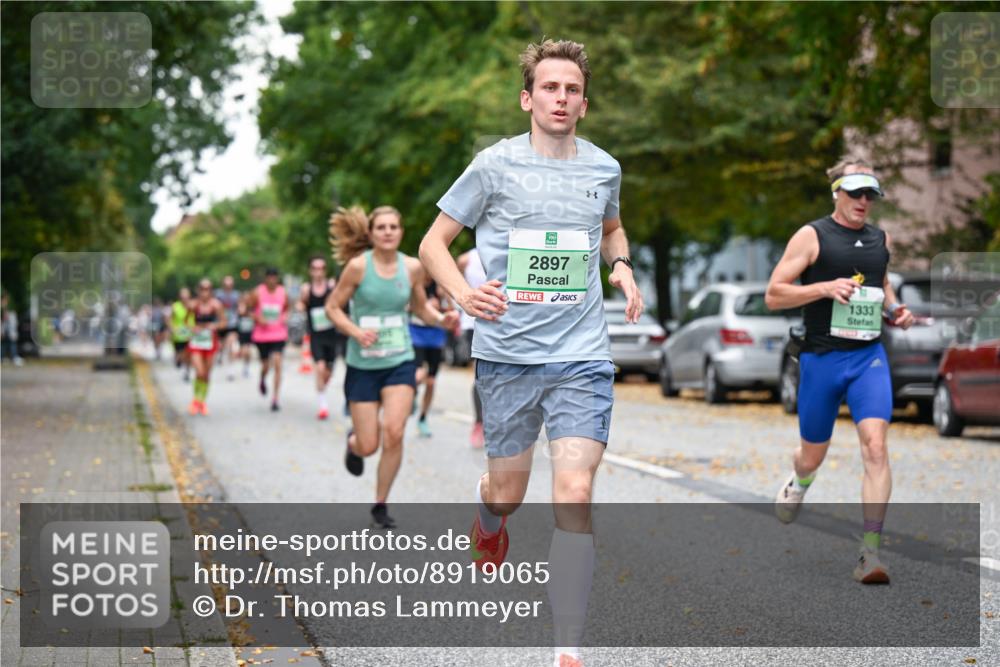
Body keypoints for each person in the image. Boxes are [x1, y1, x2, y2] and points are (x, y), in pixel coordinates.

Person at [419, 39, 642, 667]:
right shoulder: (492, 166)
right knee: (510, 492)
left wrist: (621, 266)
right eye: (550, 87)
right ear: (528, 98)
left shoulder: (604, 168)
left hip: (582, 355)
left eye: (572, 89)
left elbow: (611, 228)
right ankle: (489, 518)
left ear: (584, 103)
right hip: (508, 355)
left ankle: (566, 650)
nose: (561, 98)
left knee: (573, 491)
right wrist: (464, 294)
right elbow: (432, 244)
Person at [765, 156, 915, 584]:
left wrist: (896, 309)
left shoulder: (879, 239)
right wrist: (825, 288)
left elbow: (880, 282)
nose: (863, 201)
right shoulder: (812, 236)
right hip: (822, 359)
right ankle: (800, 480)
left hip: (867, 358)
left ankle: (870, 554)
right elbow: (774, 294)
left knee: (875, 447)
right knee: (813, 454)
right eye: (855, 193)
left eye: (870, 194)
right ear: (837, 193)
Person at [327, 205, 457, 529]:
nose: (387, 232)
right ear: (371, 234)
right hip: (363, 364)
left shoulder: (412, 267)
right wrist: (356, 331)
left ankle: (380, 503)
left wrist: (442, 320)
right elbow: (333, 308)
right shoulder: (358, 267)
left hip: (399, 360)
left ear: (400, 232)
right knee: (369, 445)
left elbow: (420, 309)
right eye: (381, 227)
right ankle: (353, 443)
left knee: (395, 432)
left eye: (393, 227)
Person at [408, 274, 453, 437]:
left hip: (435, 337)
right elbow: (405, 307)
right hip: (416, 334)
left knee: (431, 382)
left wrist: (444, 297)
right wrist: (424, 305)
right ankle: (411, 396)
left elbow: (451, 312)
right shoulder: (414, 282)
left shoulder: (439, 285)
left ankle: (423, 418)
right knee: (418, 375)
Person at [298, 256, 341, 420]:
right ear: (310, 271)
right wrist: (301, 306)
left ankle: (323, 387)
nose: (318, 272)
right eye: (315, 268)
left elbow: (339, 304)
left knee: (328, 372)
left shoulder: (332, 287)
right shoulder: (306, 289)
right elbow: (302, 305)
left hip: (332, 334)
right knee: (320, 367)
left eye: (321, 268)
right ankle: (323, 405)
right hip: (315, 335)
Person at [247, 268, 289, 412]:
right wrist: (258, 318)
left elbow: (287, 309)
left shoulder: (283, 292)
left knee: (277, 363)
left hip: (278, 334)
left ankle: (275, 399)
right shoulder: (257, 292)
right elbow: (248, 310)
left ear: (277, 279)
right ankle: (263, 378)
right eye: (269, 277)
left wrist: (284, 317)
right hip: (262, 335)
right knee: (266, 365)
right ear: (266, 279)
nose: (272, 280)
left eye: (274, 277)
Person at [457, 248, 487, 447]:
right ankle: (479, 422)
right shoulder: (465, 259)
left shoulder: (513, 248)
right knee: (480, 373)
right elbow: (452, 284)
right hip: (473, 321)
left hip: (503, 318)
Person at [187, 279, 226, 415]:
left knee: (207, 374)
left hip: (210, 342)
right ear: (198, 290)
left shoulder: (216, 305)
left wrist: (214, 326)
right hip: (197, 343)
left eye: (208, 289)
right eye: (202, 289)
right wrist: (193, 328)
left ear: (211, 290)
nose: (205, 292)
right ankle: (195, 400)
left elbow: (223, 323)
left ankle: (202, 402)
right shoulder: (193, 305)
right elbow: (186, 322)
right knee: (199, 372)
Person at [215, 275, 241, 380]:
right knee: (221, 345)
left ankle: (230, 369)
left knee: (231, 344)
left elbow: (240, 307)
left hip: (232, 323)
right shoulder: (218, 295)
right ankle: (221, 355)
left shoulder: (236, 295)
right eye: (226, 284)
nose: (228, 286)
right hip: (221, 323)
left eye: (230, 284)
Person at [169, 287, 193, 382]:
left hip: (189, 333)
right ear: (180, 297)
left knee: (189, 353)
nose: (185, 298)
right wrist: (173, 328)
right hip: (178, 335)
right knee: (180, 354)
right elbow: (170, 319)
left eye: (186, 296)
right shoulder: (175, 306)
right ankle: (178, 360)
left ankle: (187, 371)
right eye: (183, 296)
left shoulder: (192, 305)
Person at [1, 291, 24, 366]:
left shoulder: (7, 307)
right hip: (5, 328)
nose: (7, 300)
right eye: (6, 298)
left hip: (8, 329)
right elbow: (4, 318)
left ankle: (7, 357)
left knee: (7, 343)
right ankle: (13, 357)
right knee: (8, 343)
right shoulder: (2, 307)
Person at [235, 293, 255, 378]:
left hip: (250, 332)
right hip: (241, 332)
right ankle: (241, 365)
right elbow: (241, 312)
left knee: (248, 351)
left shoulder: (253, 308)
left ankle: (246, 367)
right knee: (244, 351)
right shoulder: (240, 307)